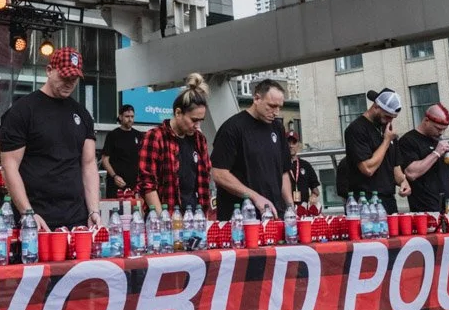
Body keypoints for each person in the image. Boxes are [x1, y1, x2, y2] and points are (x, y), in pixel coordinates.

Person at [0, 48, 99, 229]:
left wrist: (94, 211)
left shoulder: (82, 114)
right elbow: (9, 166)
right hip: (35, 217)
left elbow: (89, 164)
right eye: (64, 77)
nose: (69, 83)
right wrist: (27, 213)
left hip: (77, 218)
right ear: (49, 70)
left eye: (74, 79)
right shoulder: (23, 110)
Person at [210, 78, 292, 219]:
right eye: (272, 106)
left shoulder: (278, 128)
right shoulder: (232, 128)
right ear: (256, 98)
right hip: (239, 217)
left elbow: (284, 172)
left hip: (274, 214)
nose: (276, 112)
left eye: (279, 107)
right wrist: (255, 197)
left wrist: (290, 207)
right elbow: (218, 173)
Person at [136, 75, 213, 214]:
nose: (197, 125)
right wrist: (163, 220)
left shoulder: (200, 140)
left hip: (194, 217)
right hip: (165, 217)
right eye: (194, 120)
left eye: (201, 120)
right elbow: (147, 184)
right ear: (178, 113)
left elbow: (205, 180)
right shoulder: (155, 137)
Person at [342, 89, 403, 212]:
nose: (390, 121)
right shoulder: (356, 129)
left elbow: (395, 166)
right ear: (376, 107)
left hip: (388, 198)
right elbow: (367, 169)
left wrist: (403, 182)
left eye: (393, 118)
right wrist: (386, 141)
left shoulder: (386, 128)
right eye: (387, 116)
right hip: (366, 199)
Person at [395, 103, 449, 213]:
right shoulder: (408, 140)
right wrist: (436, 153)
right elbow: (411, 173)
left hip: (447, 204)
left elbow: (446, 171)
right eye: (438, 128)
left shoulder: (437, 140)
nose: (441, 132)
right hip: (425, 207)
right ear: (426, 120)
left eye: (444, 129)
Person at [100, 104, 143, 198]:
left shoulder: (139, 135)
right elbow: (105, 159)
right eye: (127, 116)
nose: (130, 119)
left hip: (135, 185)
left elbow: (143, 159)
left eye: (132, 116)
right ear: (120, 117)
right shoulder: (112, 135)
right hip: (116, 185)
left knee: (135, 207)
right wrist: (114, 176)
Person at [287, 132, 321, 208]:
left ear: (298, 145)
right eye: (288, 143)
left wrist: (313, 196)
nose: (291, 146)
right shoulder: (280, 166)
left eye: (294, 143)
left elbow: (315, 189)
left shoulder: (306, 165)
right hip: (286, 208)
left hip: (303, 208)